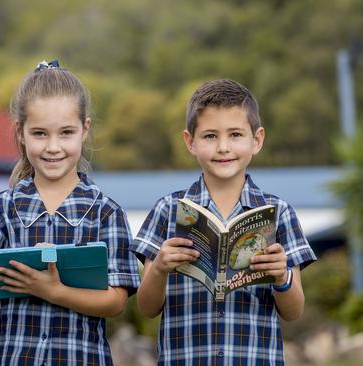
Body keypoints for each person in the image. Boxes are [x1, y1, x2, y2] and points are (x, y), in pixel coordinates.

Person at [0, 60, 140, 365]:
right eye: (40, 133)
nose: (53, 147)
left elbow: (116, 301)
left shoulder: (106, 212)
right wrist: (24, 271)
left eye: (66, 133)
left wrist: (53, 290)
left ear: (85, 129)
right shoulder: (0, 209)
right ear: (20, 132)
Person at [130, 79, 317, 365]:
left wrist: (282, 277)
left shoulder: (279, 212)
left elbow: (293, 312)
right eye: (209, 136)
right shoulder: (168, 210)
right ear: (190, 142)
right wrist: (159, 269)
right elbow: (147, 307)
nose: (223, 147)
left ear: (257, 140)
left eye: (235, 135)